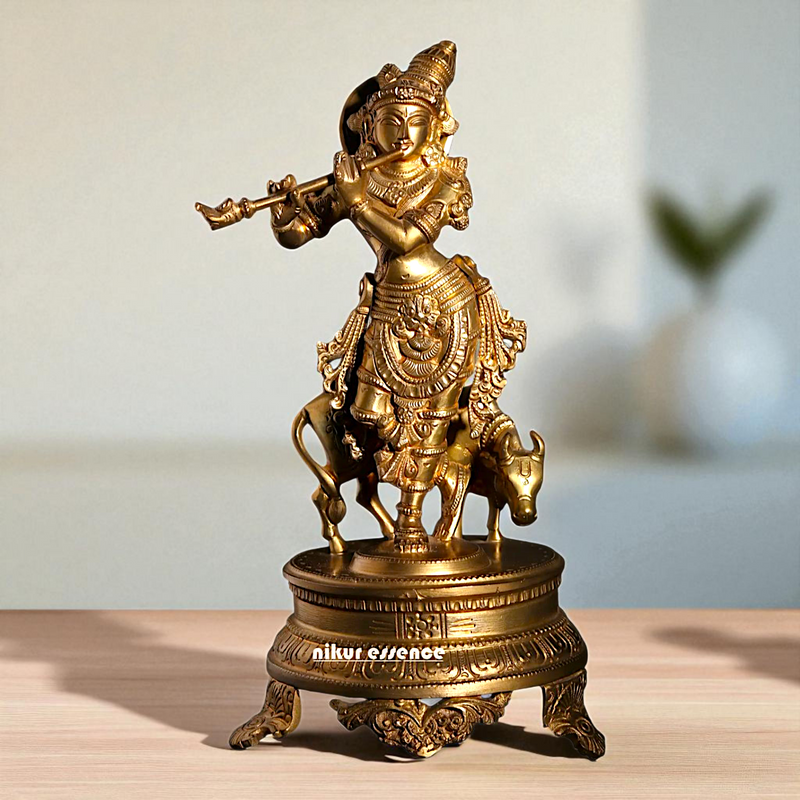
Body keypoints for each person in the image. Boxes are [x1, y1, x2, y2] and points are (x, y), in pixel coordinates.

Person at [266, 42, 524, 553]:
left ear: (436, 125)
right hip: (387, 305)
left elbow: (407, 240)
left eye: (416, 121)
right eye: (391, 121)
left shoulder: (446, 179)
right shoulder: (360, 178)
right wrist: (284, 216)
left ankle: (410, 518)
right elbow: (303, 231)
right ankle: (398, 488)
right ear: (370, 127)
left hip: (445, 306)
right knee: (369, 413)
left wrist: (357, 201)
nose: (403, 133)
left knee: (432, 417)